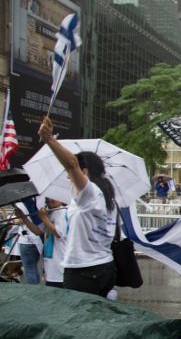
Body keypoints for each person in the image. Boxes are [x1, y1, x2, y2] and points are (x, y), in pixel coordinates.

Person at [38, 116, 117, 297]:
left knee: (79, 322)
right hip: (105, 266)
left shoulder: (90, 194)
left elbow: (72, 163)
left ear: (85, 172)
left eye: (71, 174)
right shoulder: (106, 197)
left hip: (84, 270)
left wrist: (49, 139)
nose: (68, 177)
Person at [14, 198, 68, 288]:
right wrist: (23, 217)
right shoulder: (50, 213)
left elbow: (59, 233)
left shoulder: (64, 212)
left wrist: (43, 217)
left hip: (60, 260)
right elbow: (37, 231)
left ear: (60, 199)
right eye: (47, 198)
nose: (49, 200)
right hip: (50, 262)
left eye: (53, 198)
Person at [13, 204, 42, 285]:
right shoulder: (35, 203)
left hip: (26, 240)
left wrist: (19, 216)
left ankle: (32, 291)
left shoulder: (20, 205)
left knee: (29, 269)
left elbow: (19, 221)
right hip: (37, 240)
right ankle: (37, 288)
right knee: (33, 267)